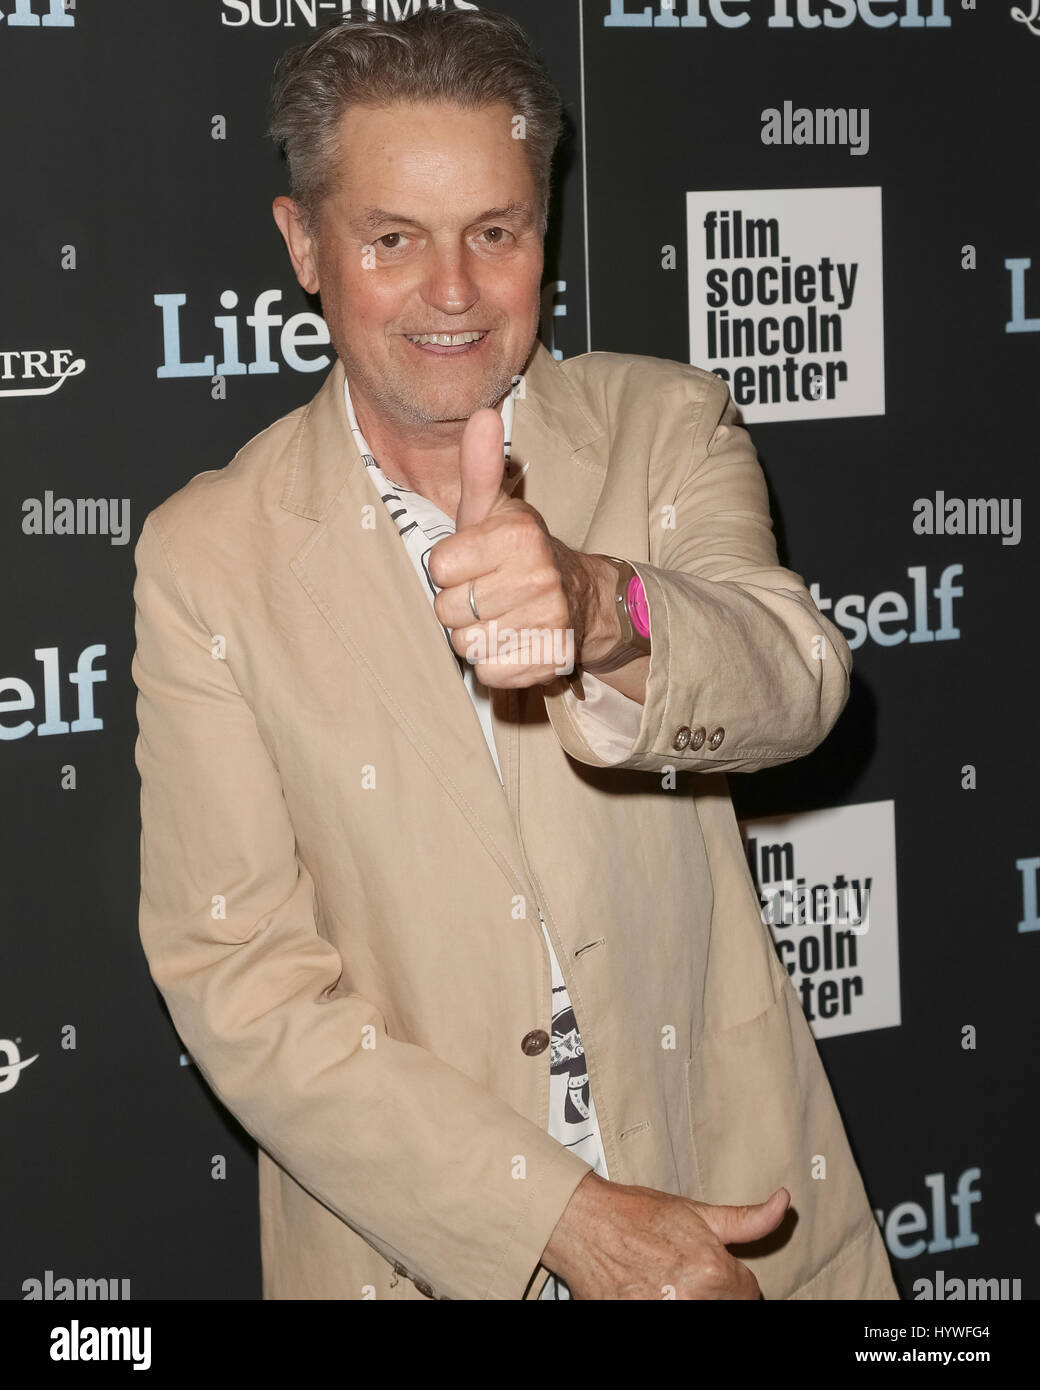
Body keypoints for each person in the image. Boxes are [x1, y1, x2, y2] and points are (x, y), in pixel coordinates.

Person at [132, 8, 897, 1301]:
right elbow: (243, 980)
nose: (455, 291)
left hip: (741, 1210)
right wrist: (569, 1217)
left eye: (496, 231)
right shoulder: (209, 555)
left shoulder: (665, 423)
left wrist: (607, 605)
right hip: (415, 1251)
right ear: (303, 244)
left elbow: (798, 680)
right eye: (393, 240)